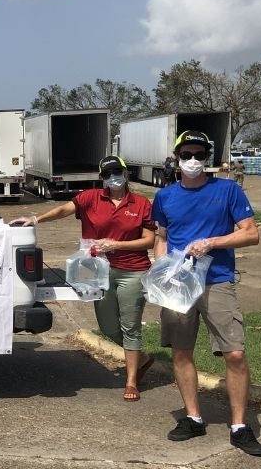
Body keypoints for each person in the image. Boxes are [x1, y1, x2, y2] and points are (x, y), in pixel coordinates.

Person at [152, 131, 261, 456]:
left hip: (217, 282)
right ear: (176, 157)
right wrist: (162, 268)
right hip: (179, 286)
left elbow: (251, 234)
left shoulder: (227, 190)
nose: (192, 160)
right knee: (181, 352)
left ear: (207, 157)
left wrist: (212, 242)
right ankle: (193, 417)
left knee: (236, 354)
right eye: (186, 153)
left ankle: (240, 426)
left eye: (199, 154)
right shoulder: (165, 197)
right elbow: (161, 236)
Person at [11, 156, 155, 401]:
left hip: (132, 270)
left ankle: (131, 382)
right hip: (97, 271)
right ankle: (141, 358)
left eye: (117, 172)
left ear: (125, 173)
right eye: (107, 174)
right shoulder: (91, 198)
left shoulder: (141, 203)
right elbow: (63, 210)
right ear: (102, 178)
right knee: (108, 326)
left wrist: (116, 245)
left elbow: (149, 240)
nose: (113, 178)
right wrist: (36, 219)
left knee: (130, 325)